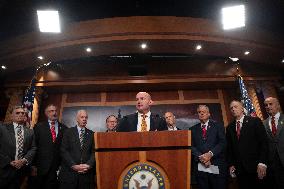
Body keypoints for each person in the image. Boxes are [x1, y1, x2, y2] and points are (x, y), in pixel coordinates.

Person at [226, 100, 268, 189]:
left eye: (235, 107)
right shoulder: (230, 127)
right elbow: (230, 149)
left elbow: (264, 143)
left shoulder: (255, 121)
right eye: (231, 108)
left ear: (242, 108)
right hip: (240, 170)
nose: (233, 109)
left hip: (256, 167)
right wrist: (231, 164)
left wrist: (262, 162)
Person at [30, 104, 67, 189]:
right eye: (51, 111)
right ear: (46, 113)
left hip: (55, 168)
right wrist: (33, 165)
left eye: (55, 111)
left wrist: (62, 166)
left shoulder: (65, 129)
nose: (54, 113)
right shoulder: (39, 127)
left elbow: (64, 149)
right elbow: (33, 146)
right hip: (39, 168)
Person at [0, 106, 36, 189]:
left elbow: (33, 148)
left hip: (21, 171)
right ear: (11, 116)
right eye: (17, 113)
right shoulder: (2, 128)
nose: (21, 114)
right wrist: (9, 162)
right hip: (4, 169)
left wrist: (23, 160)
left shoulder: (30, 132)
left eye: (23, 113)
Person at [191, 105, 226, 189]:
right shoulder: (192, 129)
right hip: (201, 168)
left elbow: (222, 143)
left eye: (204, 112)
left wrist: (210, 154)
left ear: (209, 114)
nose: (201, 113)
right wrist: (202, 157)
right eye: (199, 112)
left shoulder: (218, 126)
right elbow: (191, 147)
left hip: (216, 165)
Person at [59, 110, 95, 189]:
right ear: (77, 119)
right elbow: (63, 150)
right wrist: (73, 165)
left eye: (86, 117)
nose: (84, 119)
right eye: (82, 117)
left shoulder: (92, 134)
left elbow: (94, 152)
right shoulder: (68, 132)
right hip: (69, 175)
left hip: (86, 177)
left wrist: (88, 165)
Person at [263, 97, 284, 189]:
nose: (268, 106)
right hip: (273, 164)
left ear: (278, 105)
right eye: (266, 105)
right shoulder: (263, 124)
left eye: (270, 104)